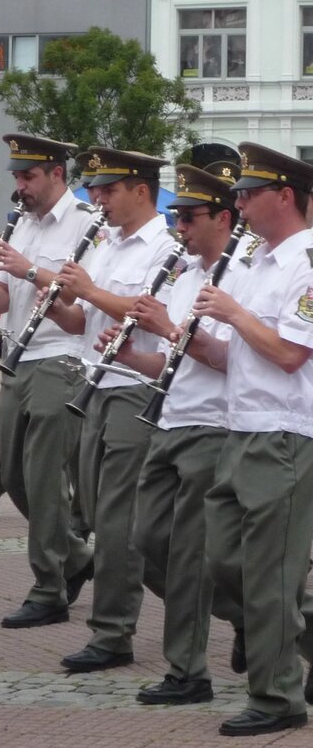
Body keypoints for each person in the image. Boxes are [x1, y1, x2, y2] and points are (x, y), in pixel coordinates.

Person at [97, 164, 245, 704]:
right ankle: (254, 621)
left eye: (189, 216)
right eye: (176, 216)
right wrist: (134, 355)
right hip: (169, 420)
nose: (179, 225)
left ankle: (188, 671)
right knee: (146, 538)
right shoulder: (183, 276)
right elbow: (173, 361)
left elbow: (229, 360)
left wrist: (165, 328)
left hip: (213, 426)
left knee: (189, 555)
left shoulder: (240, 277)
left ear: (223, 217)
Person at [181, 142, 313, 737]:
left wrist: (233, 314)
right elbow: (237, 355)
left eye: (249, 193)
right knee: (222, 562)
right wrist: (185, 338)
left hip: (284, 435)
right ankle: (293, 641)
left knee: (268, 578)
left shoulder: (307, 264)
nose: (238, 203)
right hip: (241, 428)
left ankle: (277, 697)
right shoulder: (258, 262)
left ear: (284, 196)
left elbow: (288, 353)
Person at [47, 147, 179, 670]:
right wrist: (57, 302)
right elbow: (82, 322)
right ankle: (230, 609)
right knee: (99, 512)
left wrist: (92, 291)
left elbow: (147, 312)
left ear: (140, 190)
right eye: (94, 188)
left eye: (107, 188)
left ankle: (112, 633)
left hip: (132, 389)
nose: (96, 197)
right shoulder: (106, 244)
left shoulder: (164, 246)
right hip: (93, 384)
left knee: (120, 519)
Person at [0, 134, 96, 628]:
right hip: (18, 356)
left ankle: (48, 589)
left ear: (56, 174)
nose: (20, 188)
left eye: (28, 177)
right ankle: (76, 557)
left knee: (45, 479)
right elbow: (3, 304)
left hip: (62, 357)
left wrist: (29, 272)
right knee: (15, 477)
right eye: (17, 178)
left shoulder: (88, 224)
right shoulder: (21, 224)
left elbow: (79, 314)